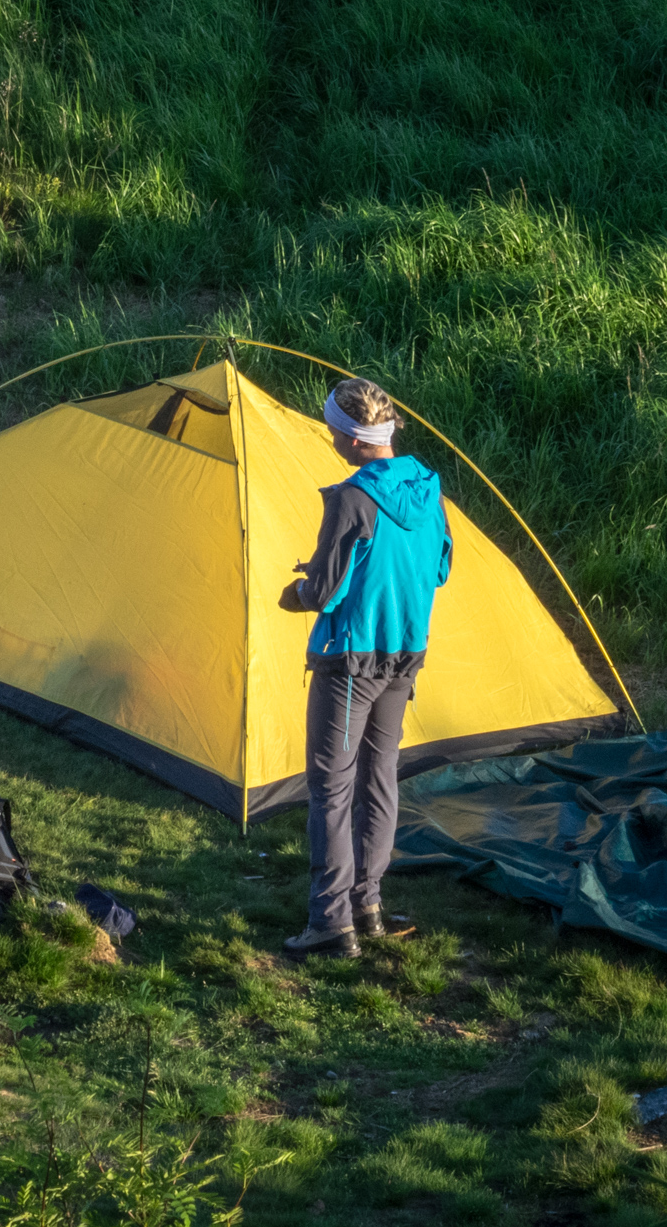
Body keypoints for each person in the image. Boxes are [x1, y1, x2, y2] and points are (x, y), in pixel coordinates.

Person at [278, 378, 452, 956]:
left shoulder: (354, 498)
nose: (329, 437)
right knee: (380, 779)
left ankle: (330, 923)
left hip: (350, 662)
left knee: (331, 790)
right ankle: (368, 904)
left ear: (353, 440)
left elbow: (326, 593)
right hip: (406, 654)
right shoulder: (427, 487)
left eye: (332, 430)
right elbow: (439, 571)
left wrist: (296, 592)